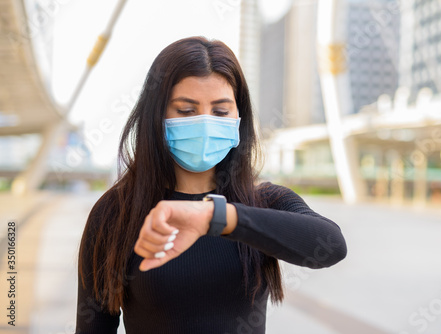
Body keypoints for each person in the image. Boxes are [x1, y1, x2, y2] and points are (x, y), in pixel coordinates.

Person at [75, 36, 347, 334]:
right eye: (186, 110)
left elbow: (331, 245)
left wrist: (215, 217)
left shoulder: (263, 201)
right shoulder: (116, 213)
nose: (204, 123)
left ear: (238, 119)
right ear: (156, 117)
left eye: (220, 111)